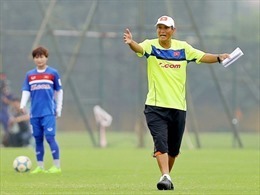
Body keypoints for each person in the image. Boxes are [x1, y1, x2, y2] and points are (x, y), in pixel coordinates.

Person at [123, 15, 230, 190]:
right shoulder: (150, 45)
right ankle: (165, 175)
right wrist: (130, 42)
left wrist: (219, 57)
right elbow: (139, 49)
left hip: (178, 107)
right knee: (161, 142)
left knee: (173, 150)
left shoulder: (183, 48)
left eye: (166, 28)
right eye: (159, 27)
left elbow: (202, 56)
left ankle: (166, 177)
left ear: (173, 30)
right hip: (155, 106)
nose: (162, 31)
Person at [20, 46, 63, 174]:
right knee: (38, 139)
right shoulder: (30, 75)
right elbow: (26, 90)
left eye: (42, 57)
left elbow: (59, 91)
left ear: (46, 58)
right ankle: (40, 166)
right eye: (36, 57)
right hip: (34, 113)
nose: (39, 60)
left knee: (50, 138)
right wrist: (22, 104)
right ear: (34, 59)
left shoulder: (53, 73)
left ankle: (57, 166)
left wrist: (59, 108)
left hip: (49, 112)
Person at [0, 73, 14, 146]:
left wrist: (7, 101)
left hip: (4, 112)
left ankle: (5, 143)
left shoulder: (8, 93)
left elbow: (12, 102)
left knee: (6, 129)